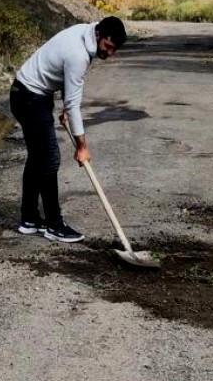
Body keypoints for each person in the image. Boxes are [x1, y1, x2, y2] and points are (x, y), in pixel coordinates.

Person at [9, 16, 126, 243]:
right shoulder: (78, 54)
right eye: (107, 47)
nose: (109, 53)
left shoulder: (86, 33)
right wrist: (81, 146)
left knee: (37, 159)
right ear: (99, 35)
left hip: (30, 94)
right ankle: (54, 225)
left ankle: (29, 219)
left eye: (114, 50)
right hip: (29, 98)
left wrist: (64, 105)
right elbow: (73, 105)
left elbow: (65, 81)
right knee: (49, 159)